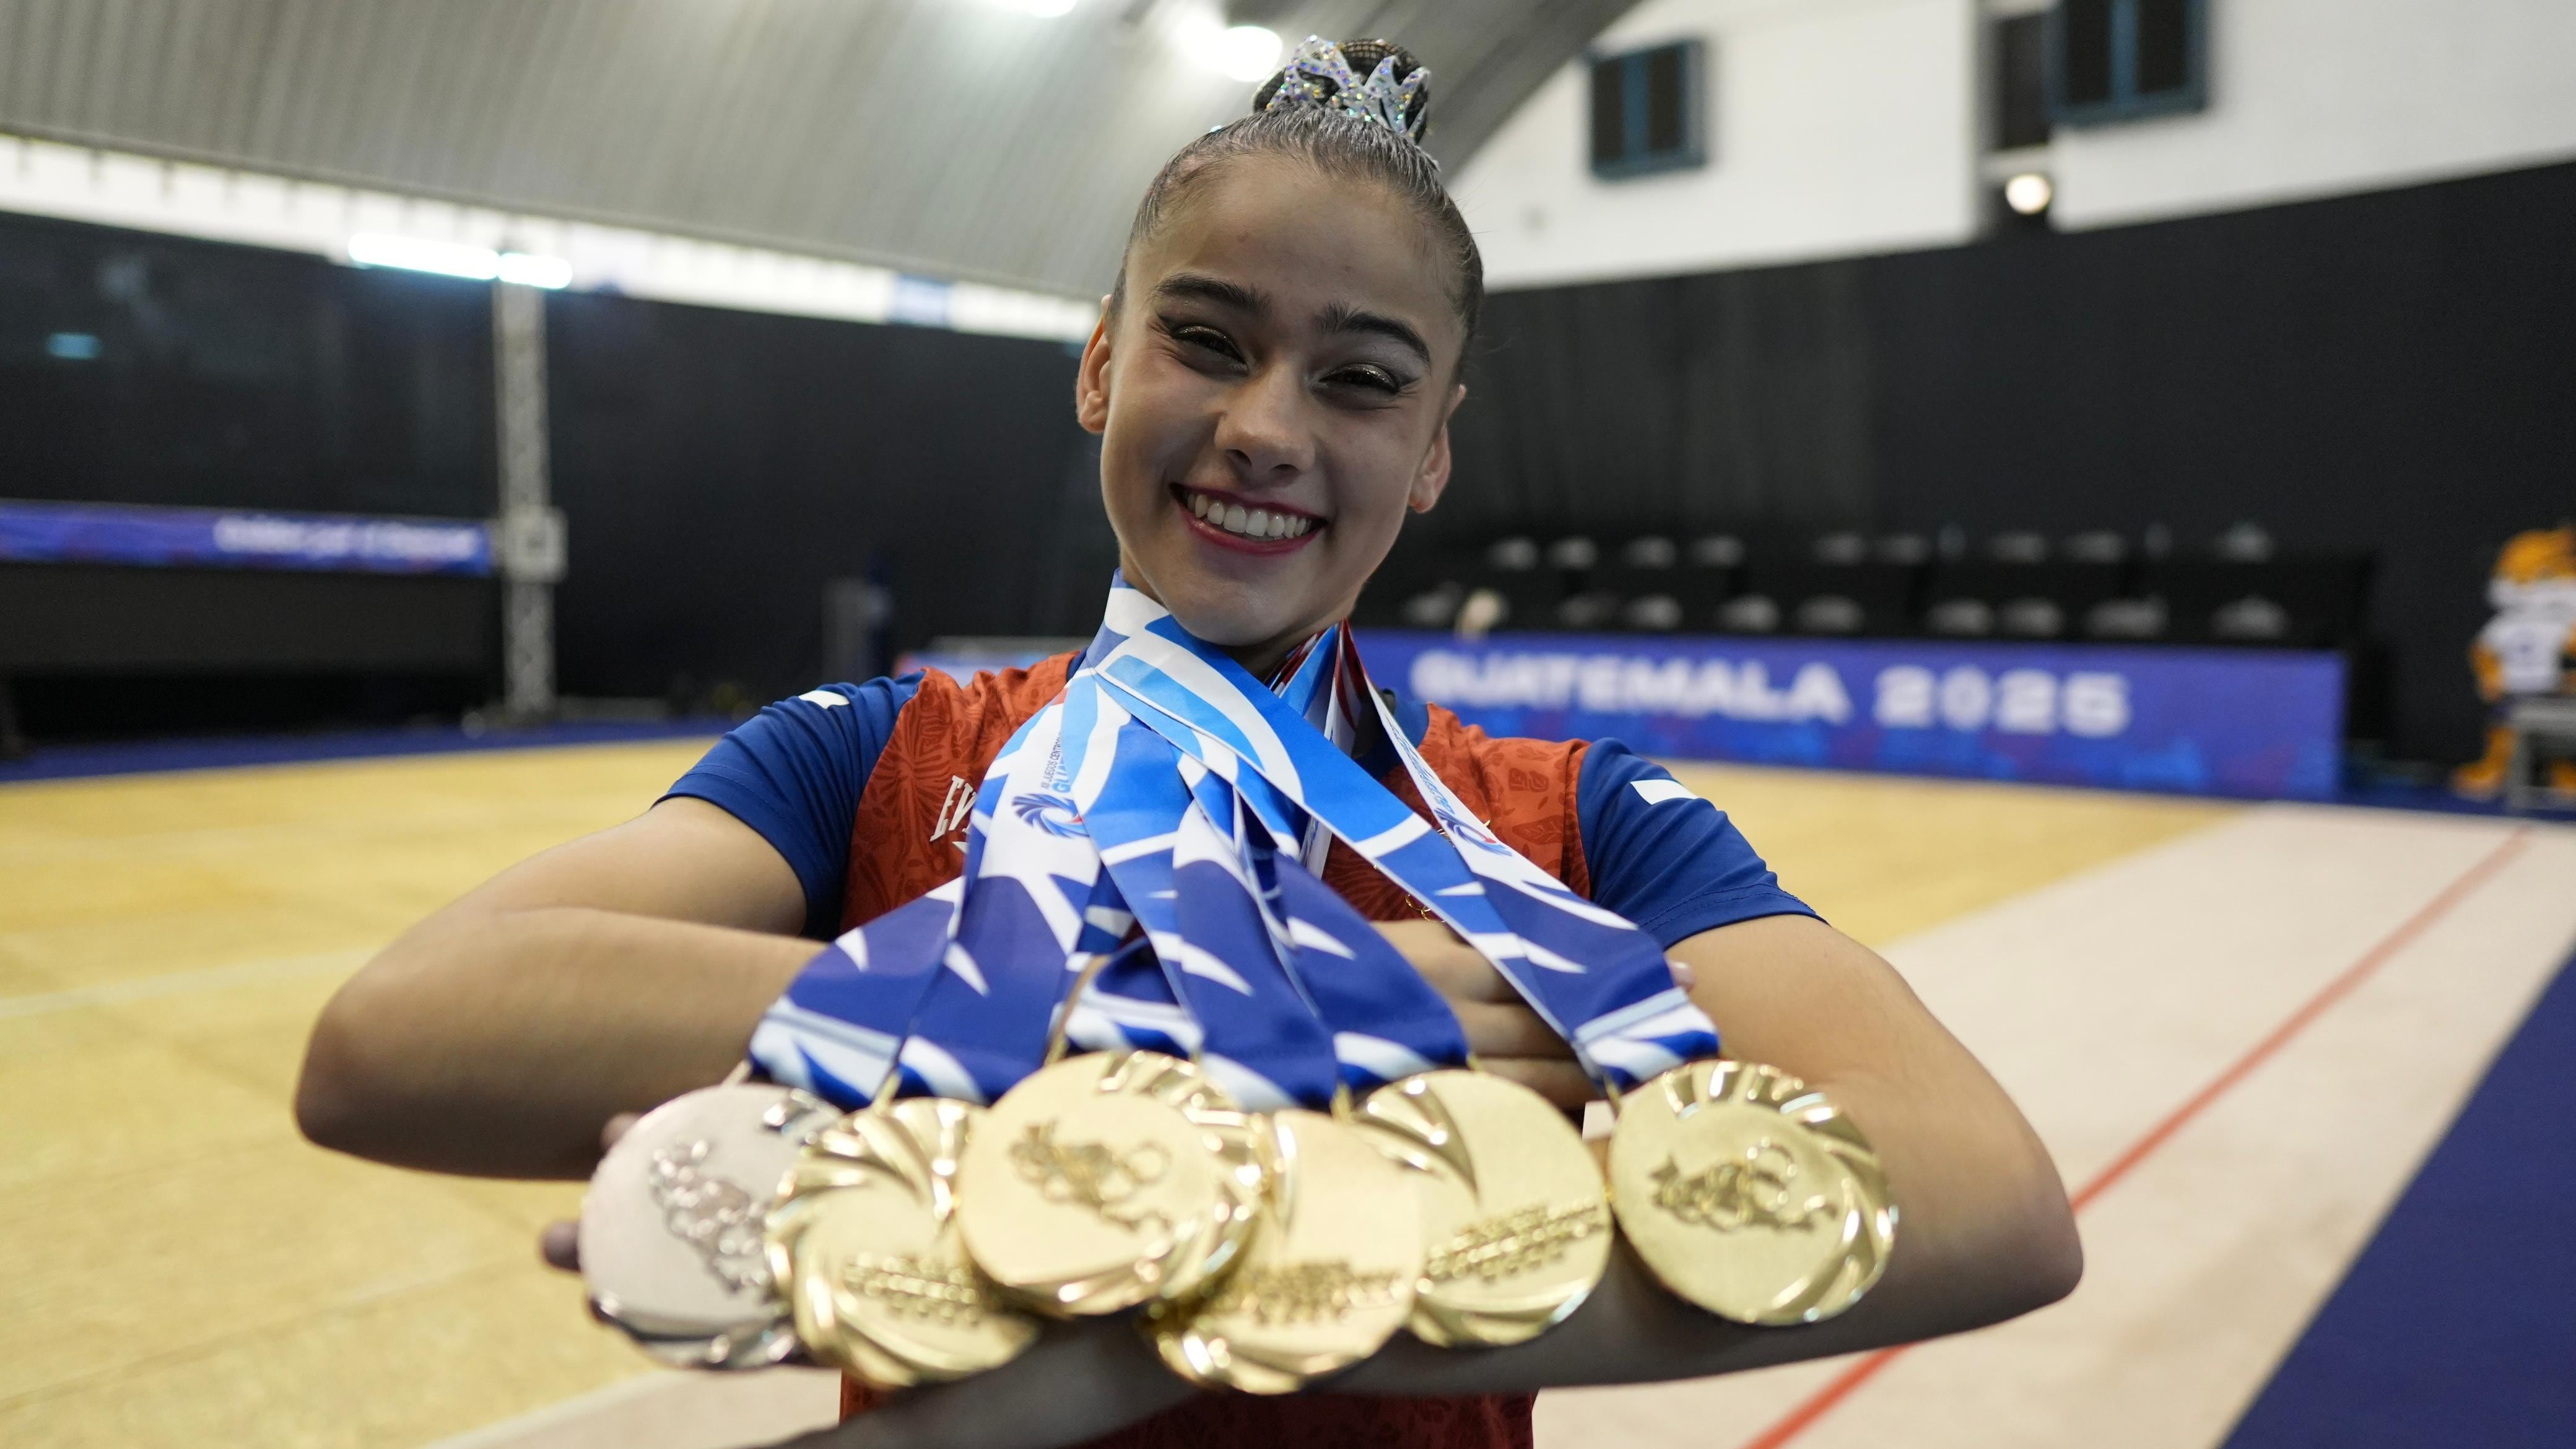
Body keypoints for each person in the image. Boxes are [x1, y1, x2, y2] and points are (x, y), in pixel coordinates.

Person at [297, 38, 2079, 1449]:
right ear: (1098, 365)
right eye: (1205, 342)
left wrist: (1186, 1328)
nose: (1261, 427)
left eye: (1362, 379)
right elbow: (388, 1040)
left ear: (1438, 451)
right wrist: (1155, 1029)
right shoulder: (878, 755)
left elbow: (1991, 1197)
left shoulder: (1570, 825)